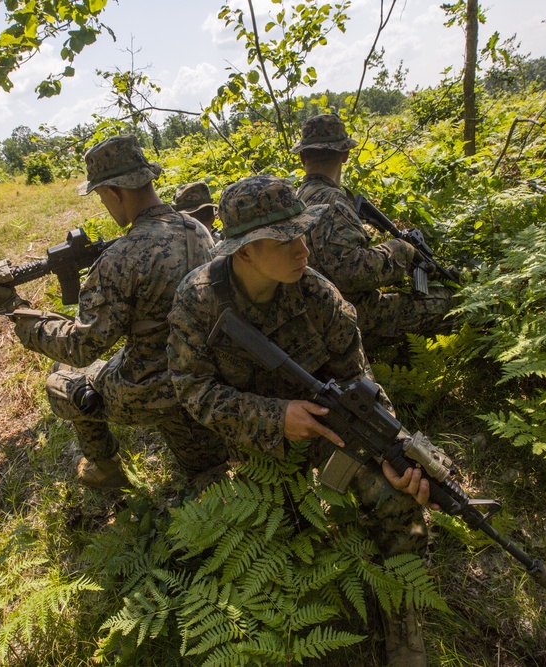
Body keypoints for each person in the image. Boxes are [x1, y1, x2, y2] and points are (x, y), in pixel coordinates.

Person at [167, 174, 432, 666]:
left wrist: (390, 448)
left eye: (303, 233)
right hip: (246, 441)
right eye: (285, 239)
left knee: (398, 497)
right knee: (257, 543)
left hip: (325, 432)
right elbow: (190, 388)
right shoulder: (199, 300)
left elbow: (361, 381)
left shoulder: (319, 295)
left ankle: (402, 613)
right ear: (242, 252)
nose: (302, 248)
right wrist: (273, 417)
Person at [0, 135, 228, 490]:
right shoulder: (197, 228)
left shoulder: (120, 259)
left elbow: (81, 347)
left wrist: (16, 310)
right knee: (204, 471)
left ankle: (105, 470)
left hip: (155, 390)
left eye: (101, 196)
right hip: (205, 375)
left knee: (62, 380)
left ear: (113, 192)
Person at [292, 113, 454, 349]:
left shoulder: (297, 198)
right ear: (346, 155)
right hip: (348, 316)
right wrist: (399, 251)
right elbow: (350, 272)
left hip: (313, 313)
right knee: (449, 302)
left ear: (303, 157)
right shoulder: (333, 202)